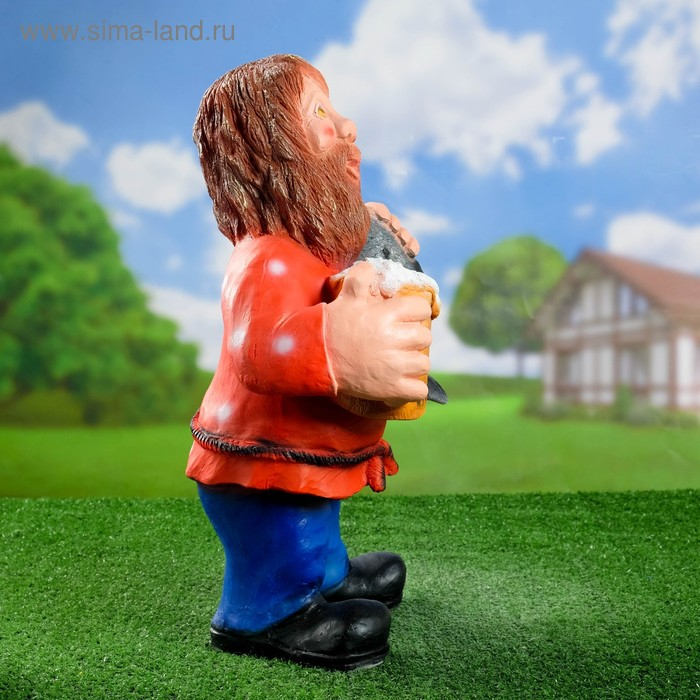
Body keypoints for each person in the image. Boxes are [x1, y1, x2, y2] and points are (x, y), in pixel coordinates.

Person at [187, 54, 433, 671]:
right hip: (259, 464)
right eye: (319, 111)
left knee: (315, 524)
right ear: (271, 148)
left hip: (302, 456)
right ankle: (263, 613)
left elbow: (346, 272)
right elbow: (258, 351)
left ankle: (325, 576)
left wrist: (374, 236)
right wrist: (340, 341)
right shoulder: (266, 257)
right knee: (284, 535)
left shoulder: (312, 246)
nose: (347, 126)